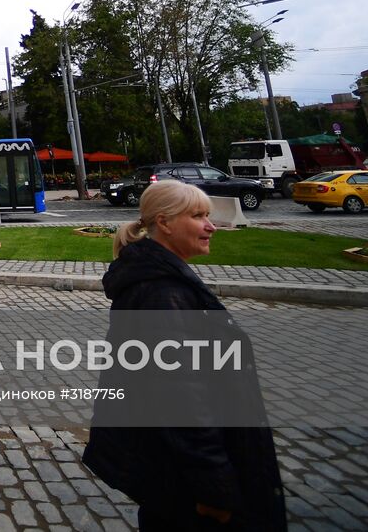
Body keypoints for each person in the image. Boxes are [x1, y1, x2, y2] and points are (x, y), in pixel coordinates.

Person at [83, 179, 287, 530]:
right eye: (197, 216)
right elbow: (181, 401)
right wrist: (215, 488)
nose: (211, 226)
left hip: (172, 474)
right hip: (189, 486)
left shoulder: (160, 281)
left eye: (208, 215)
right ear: (164, 223)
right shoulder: (163, 296)